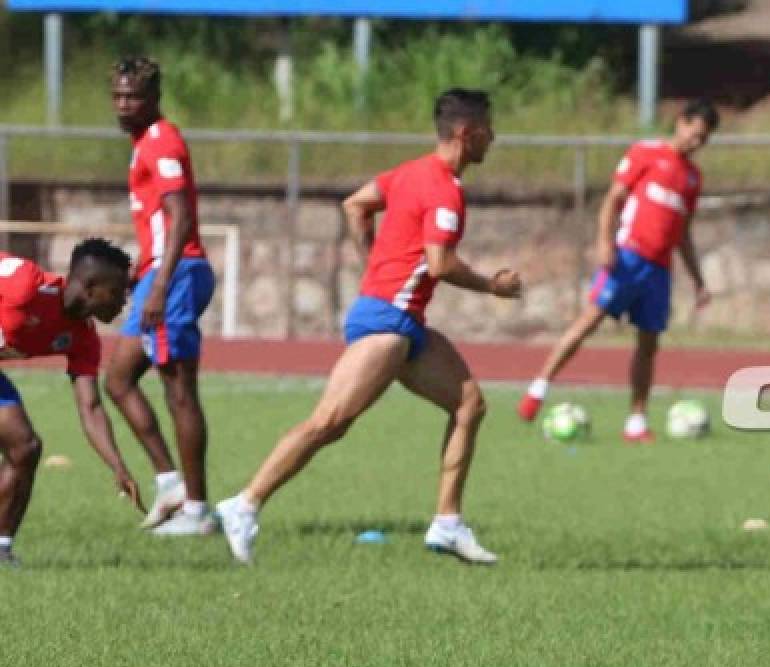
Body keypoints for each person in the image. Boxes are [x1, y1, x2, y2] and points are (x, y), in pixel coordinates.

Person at [215, 88, 521, 566]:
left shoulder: (408, 172)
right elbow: (439, 263)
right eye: (488, 129)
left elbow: (355, 204)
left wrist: (373, 263)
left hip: (402, 321)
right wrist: (492, 287)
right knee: (328, 423)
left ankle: (447, 523)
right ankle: (244, 503)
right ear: (466, 133)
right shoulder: (444, 189)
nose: (494, 137)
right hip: (387, 322)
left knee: (469, 404)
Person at [516, 100, 719, 441]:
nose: (695, 143)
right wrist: (604, 242)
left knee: (648, 343)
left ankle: (636, 421)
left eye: (703, 140)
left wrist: (698, 280)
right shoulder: (645, 153)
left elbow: (683, 233)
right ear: (680, 123)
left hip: (658, 270)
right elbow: (613, 199)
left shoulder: (692, 178)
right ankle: (539, 387)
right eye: (694, 134)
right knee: (589, 321)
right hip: (627, 257)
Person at [107, 56, 217, 536]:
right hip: (158, 274)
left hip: (176, 276)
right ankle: (171, 483)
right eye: (118, 96)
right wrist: (142, 268)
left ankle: (196, 511)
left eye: (133, 96)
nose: (123, 104)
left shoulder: (162, 140)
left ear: (154, 99)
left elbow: (180, 218)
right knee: (118, 378)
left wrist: (162, 282)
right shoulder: (142, 144)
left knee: (179, 391)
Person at [0, 240, 146, 566]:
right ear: (93, 287)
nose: (125, 301)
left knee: (25, 447)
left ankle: (1, 546)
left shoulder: (83, 337)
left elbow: (90, 407)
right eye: (119, 291)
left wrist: (117, 467)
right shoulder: (25, 285)